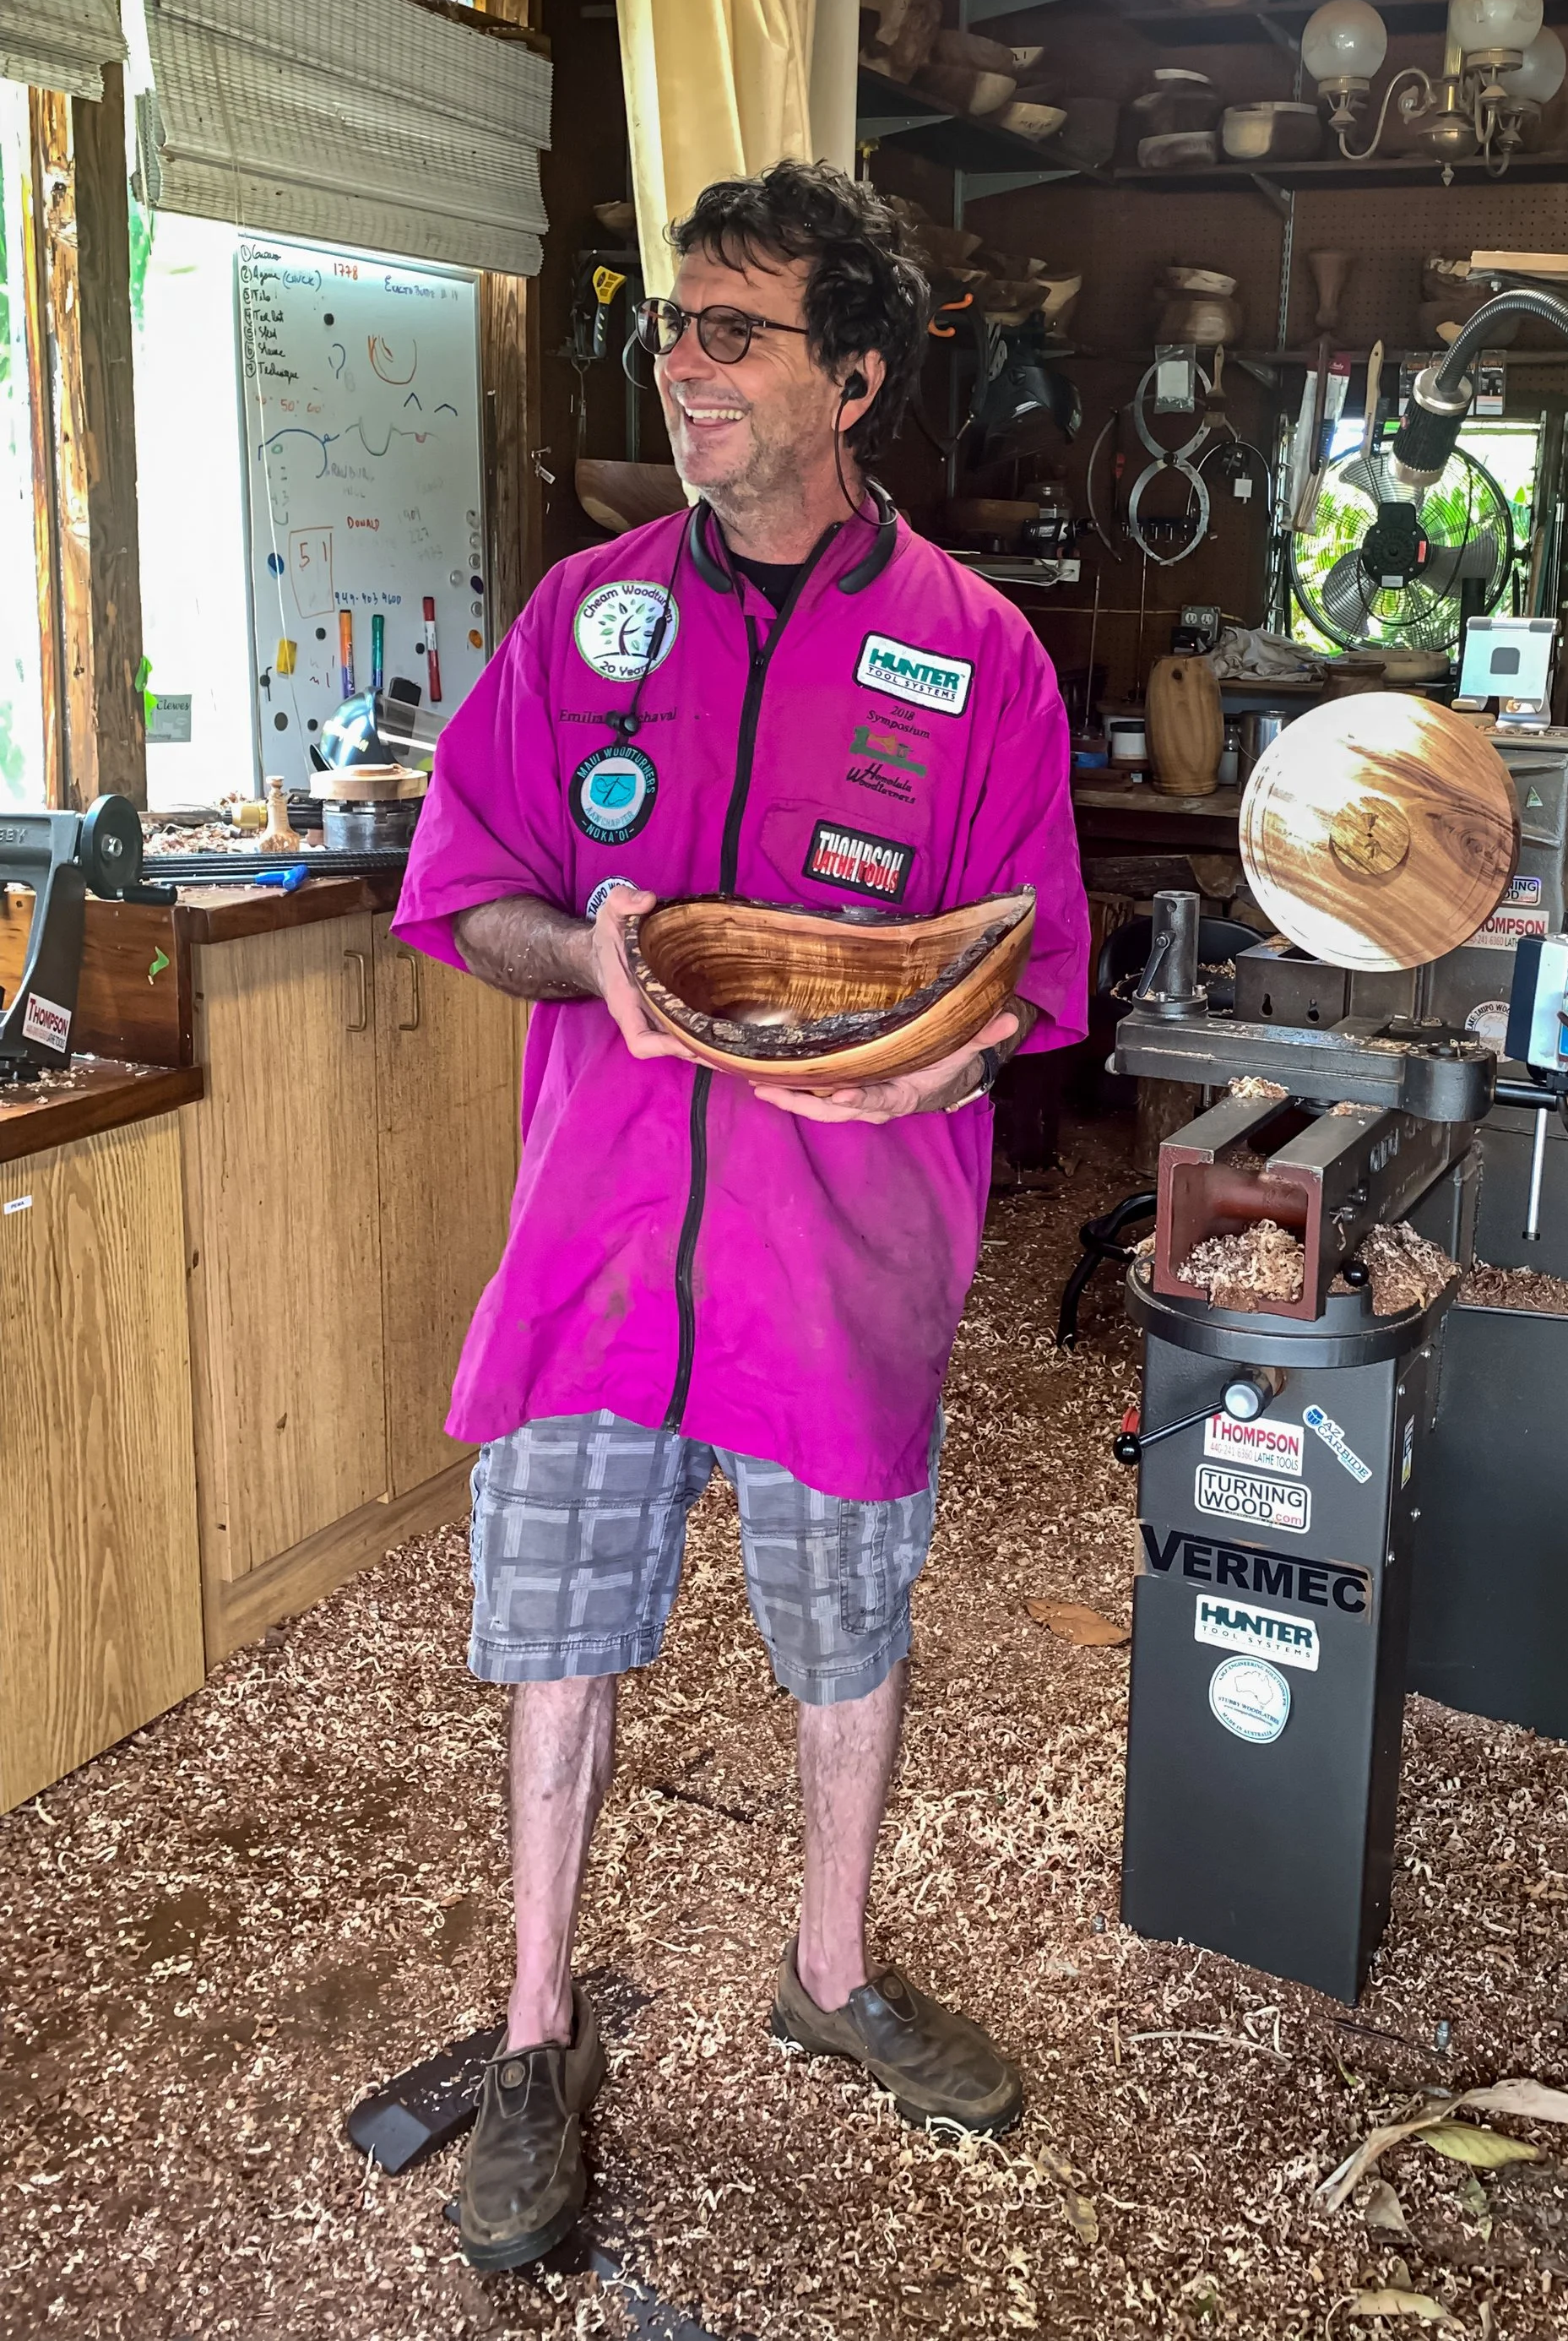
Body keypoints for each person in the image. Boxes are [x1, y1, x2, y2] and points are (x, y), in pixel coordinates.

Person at [392, 160, 1089, 2274]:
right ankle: (533, 2028)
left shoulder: (978, 661)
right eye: (670, 326)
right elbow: (468, 888)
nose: (679, 364)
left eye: (731, 330)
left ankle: (834, 1968)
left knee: (842, 1642)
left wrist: (932, 1061)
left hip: (836, 1264)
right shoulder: (585, 618)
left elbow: (1031, 973)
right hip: (598, 1250)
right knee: (559, 1641)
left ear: (852, 379)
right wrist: (584, 962)